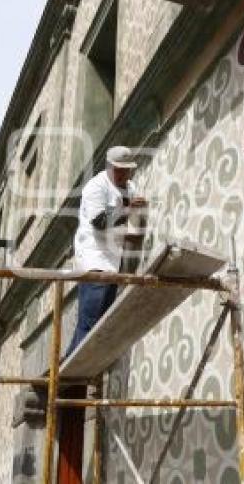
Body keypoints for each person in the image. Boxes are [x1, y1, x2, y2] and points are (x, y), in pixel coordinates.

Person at [69, 145, 146, 351]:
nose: (123, 174)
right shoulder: (96, 187)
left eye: (127, 170)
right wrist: (129, 209)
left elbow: (133, 225)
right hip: (94, 259)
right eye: (119, 170)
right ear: (109, 167)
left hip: (113, 261)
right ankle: (74, 373)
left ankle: (68, 373)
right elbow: (99, 222)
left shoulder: (130, 187)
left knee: (99, 320)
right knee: (91, 320)